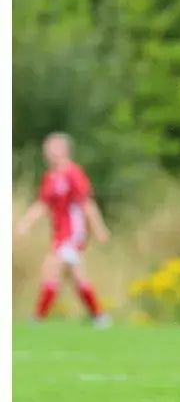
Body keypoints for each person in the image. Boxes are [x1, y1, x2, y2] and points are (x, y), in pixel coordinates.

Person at [15, 132, 111, 326]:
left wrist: (100, 228)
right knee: (77, 276)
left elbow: (87, 203)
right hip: (60, 233)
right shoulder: (50, 177)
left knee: (52, 267)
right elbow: (42, 205)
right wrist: (25, 223)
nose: (48, 152)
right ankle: (100, 316)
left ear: (65, 150)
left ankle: (38, 318)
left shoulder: (73, 173)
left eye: (52, 148)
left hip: (73, 232)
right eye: (47, 148)